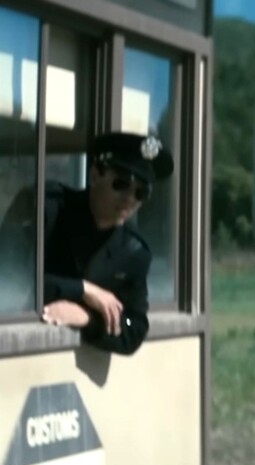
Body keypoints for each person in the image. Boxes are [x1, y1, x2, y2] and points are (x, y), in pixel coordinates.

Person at [0, 132, 173, 355]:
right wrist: (83, 290)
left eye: (141, 192)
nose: (130, 198)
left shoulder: (133, 251)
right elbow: (10, 284)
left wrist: (88, 319)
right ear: (94, 176)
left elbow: (134, 328)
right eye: (121, 183)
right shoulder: (45, 209)